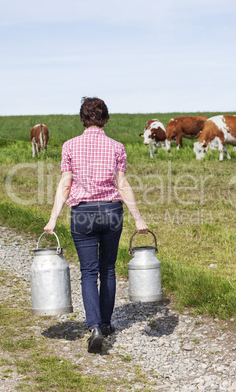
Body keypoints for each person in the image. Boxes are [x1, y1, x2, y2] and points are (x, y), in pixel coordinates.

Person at [44, 97, 148, 353]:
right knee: (108, 269)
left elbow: (66, 185)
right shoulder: (117, 147)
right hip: (112, 211)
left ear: (82, 118)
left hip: (83, 214)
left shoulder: (69, 146)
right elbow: (122, 185)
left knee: (89, 272)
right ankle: (107, 322)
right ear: (105, 119)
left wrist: (53, 218)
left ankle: (95, 327)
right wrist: (138, 218)